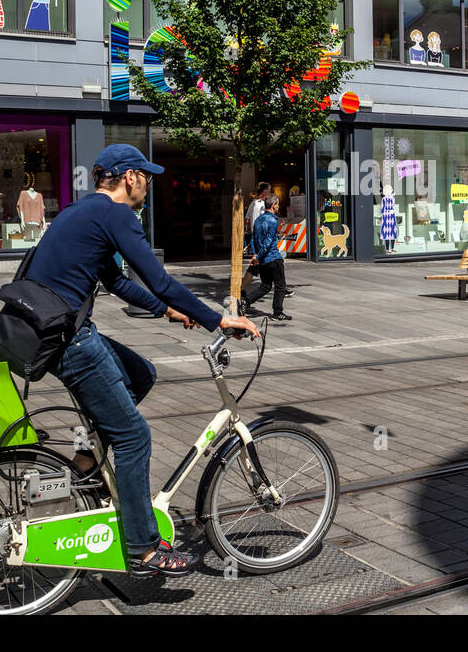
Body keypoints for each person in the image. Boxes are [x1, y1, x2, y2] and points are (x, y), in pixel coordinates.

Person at [24, 144, 259, 578]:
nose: (149, 184)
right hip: (69, 340)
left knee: (140, 373)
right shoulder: (116, 215)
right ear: (129, 177)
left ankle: (87, 462)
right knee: (134, 437)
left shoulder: (81, 211)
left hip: (54, 334)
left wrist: (165, 310)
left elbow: (114, 280)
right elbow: (160, 279)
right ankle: (143, 547)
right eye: (146, 176)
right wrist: (218, 320)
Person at [241, 194, 291, 321]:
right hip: (273, 258)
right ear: (274, 205)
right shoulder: (273, 221)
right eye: (278, 204)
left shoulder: (258, 220)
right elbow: (268, 243)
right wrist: (258, 255)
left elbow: (254, 238)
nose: (278, 206)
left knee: (265, 286)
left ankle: (245, 302)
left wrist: (256, 254)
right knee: (280, 286)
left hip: (262, 260)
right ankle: (277, 312)